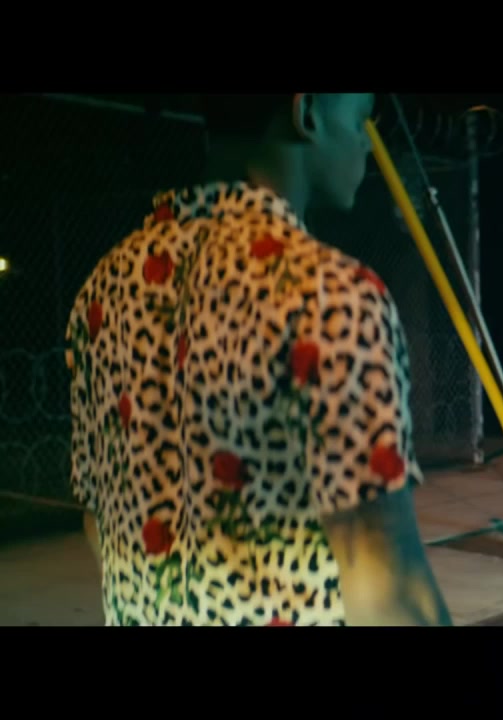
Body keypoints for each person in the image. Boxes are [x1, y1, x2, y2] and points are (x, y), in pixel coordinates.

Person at [64, 93, 452, 626]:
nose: (367, 142)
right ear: (306, 112)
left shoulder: (104, 290)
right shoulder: (329, 296)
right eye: (361, 118)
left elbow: (99, 520)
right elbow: (384, 582)